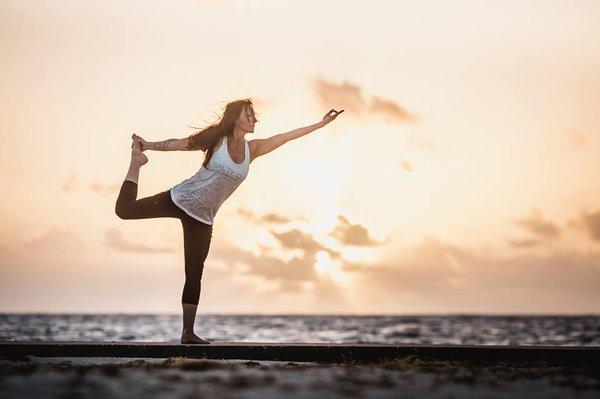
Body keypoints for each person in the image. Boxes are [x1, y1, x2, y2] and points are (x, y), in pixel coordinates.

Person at [114, 98, 344, 344]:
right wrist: (147, 146)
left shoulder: (252, 150)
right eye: (249, 114)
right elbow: (179, 144)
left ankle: (187, 333)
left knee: (194, 274)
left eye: (254, 115)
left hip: (203, 219)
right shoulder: (216, 139)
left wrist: (320, 124)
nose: (254, 119)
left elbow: (286, 136)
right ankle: (135, 163)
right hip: (180, 199)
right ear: (236, 118)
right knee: (124, 210)